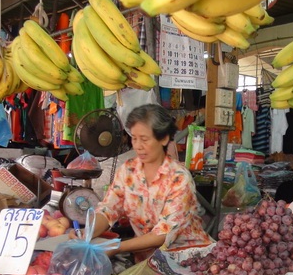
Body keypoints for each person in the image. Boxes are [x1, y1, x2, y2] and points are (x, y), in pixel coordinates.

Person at [73, 104, 213, 262]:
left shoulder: (179, 178)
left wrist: (116, 247)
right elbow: (108, 210)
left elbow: (162, 234)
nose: (138, 146)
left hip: (186, 260)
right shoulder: (127, 172)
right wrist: (87, 233)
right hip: (147, 260)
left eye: (145, 139)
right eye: (134, 138)